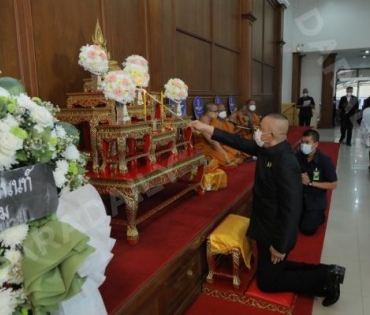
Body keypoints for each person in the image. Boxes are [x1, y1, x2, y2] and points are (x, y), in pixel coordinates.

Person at [189, 113, 345, 307]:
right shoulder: (267, 148)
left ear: (270, 135)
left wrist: (281, 245)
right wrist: (205, 128)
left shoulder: (286, 162)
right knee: (272, 270)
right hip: (263, 224)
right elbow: (236, 141)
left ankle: (325, 281)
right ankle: (328, 273)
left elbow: (292, 209)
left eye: (260, 128)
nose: (256, 131)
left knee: (268, 282)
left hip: (275, 231)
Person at [295, 129, 338, 235]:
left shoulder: (325, 161)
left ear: (316, 144)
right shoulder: (298, 156)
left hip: (315, 198)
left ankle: (320, 216)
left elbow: (333, 184)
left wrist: (310, 183)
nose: (303, 145)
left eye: (307, 142)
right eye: (302, 142)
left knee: (307, 229)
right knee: (288, 222)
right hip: (299, 196)